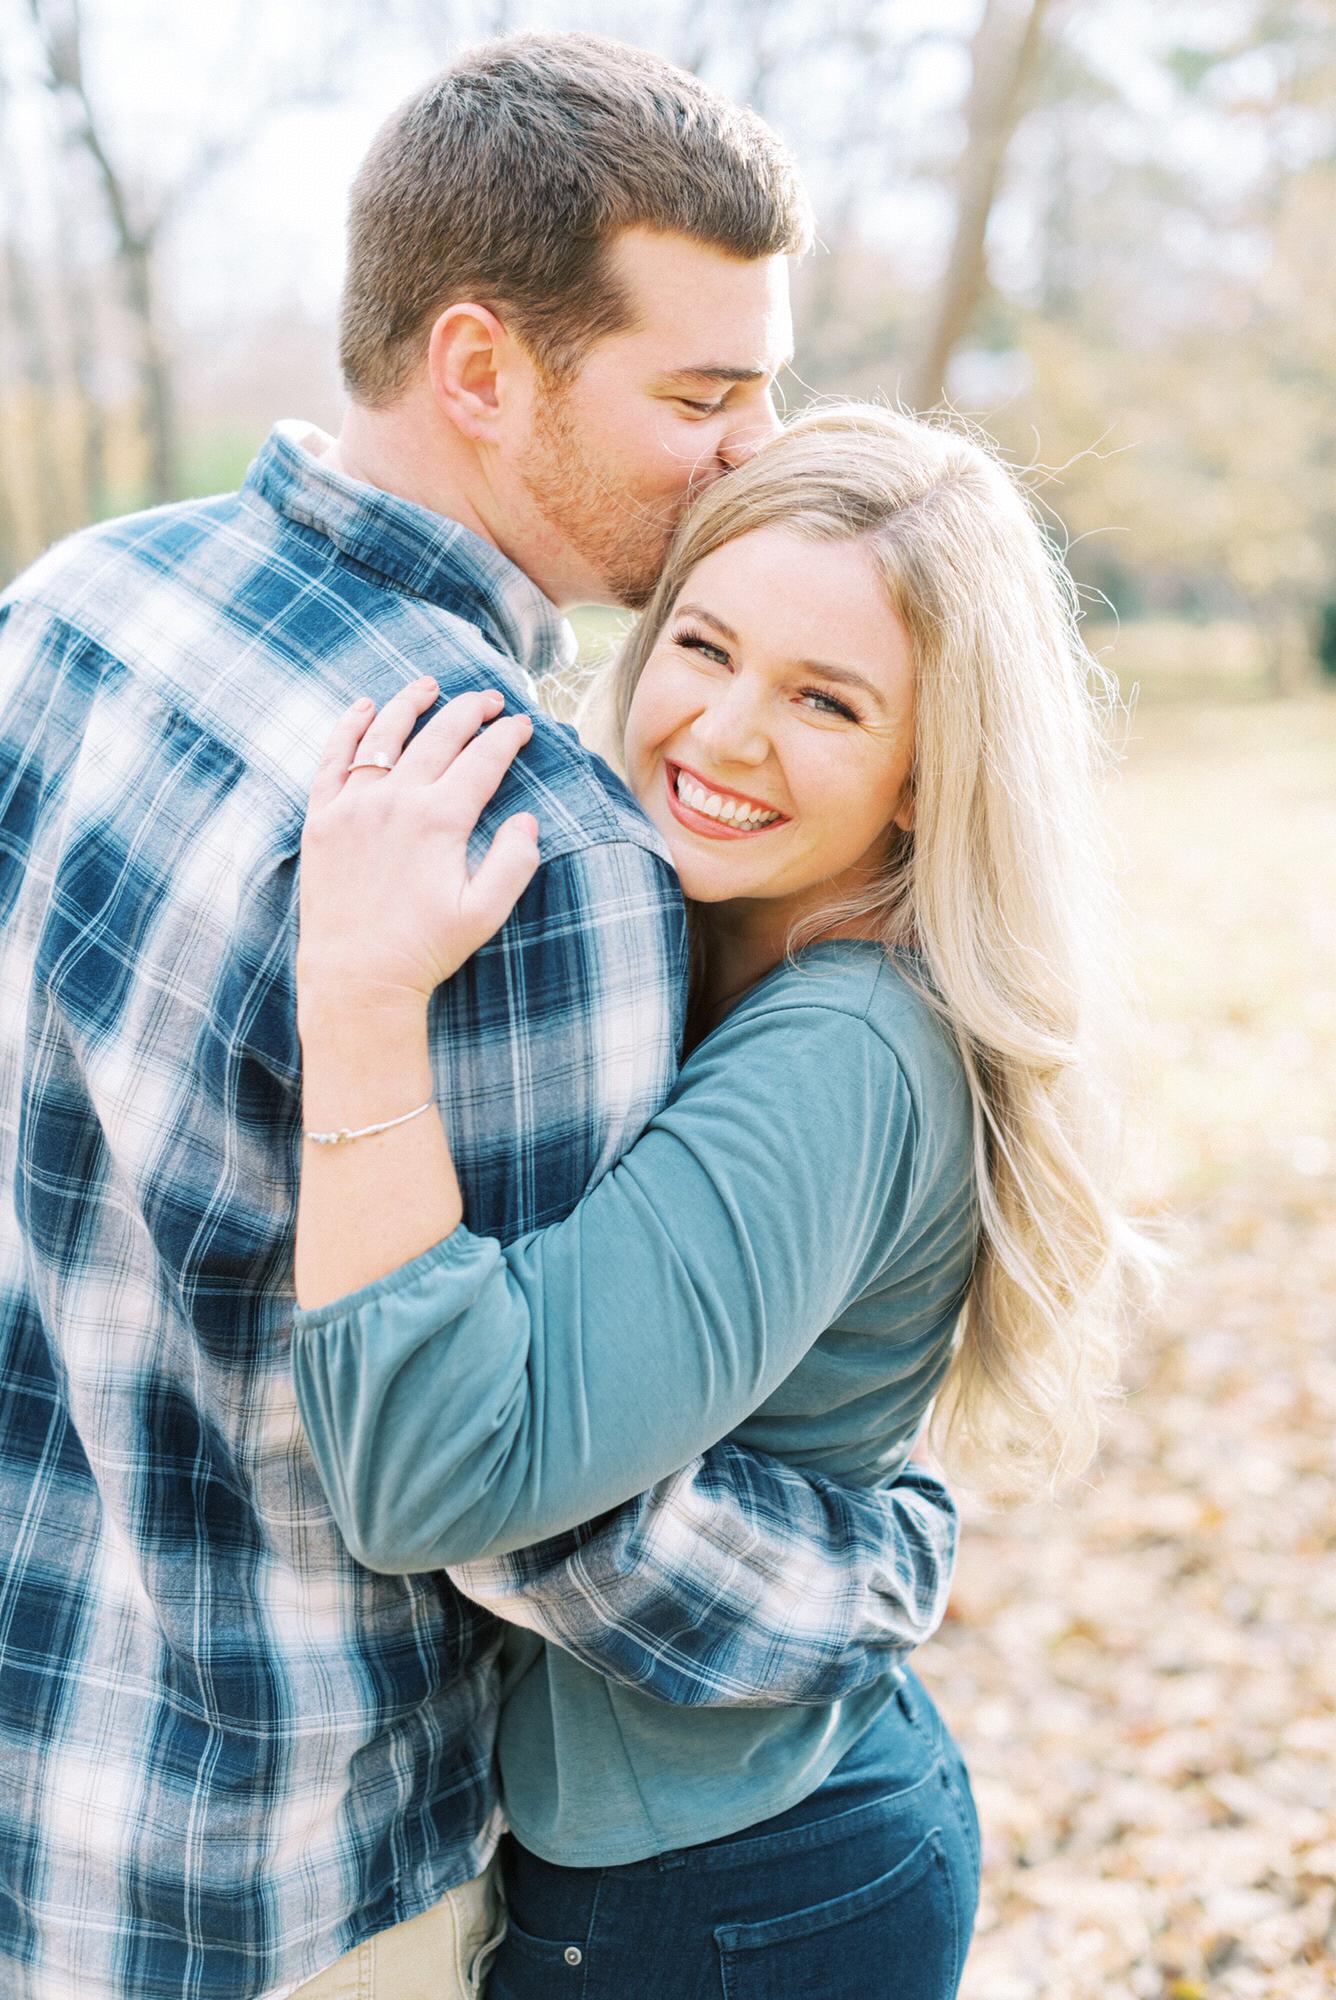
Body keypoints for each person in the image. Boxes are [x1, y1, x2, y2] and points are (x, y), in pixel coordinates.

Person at [0, 38, 961, 2000]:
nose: (752, 449)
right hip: (271, 1873)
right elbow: (531, 1511)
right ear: (477, 369)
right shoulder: (519, 832)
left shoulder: (78, 604)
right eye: (701, 393)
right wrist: (873, 1571)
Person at [289, 404, 1148, 1997]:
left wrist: (356, 994)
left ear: (923, 772)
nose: (726, 733)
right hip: (740, 1846)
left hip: (725, 1901)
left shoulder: (844, 1051)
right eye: (704, 646)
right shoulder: (683, 946)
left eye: (827, 700)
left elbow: (432, 1473)